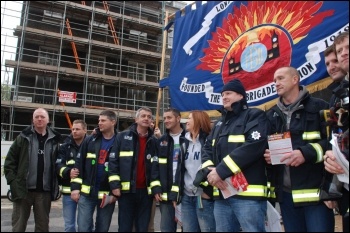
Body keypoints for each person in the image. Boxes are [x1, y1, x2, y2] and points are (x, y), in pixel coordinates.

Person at [264, 66, 334, 232]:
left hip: (317, 195)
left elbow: (333, 143)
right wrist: (268, 155)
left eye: (281, 78)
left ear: (295, 79)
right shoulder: (271, 115)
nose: (276, 83)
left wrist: (305, 153)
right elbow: (264, 147)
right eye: (274, 80)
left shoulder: (321, 107)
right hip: (286, 197)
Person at [196, 79, 269, 232]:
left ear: (241, 96)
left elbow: (253, 147)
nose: (224, 97)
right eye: (222, 94)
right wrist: (210, 171)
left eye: (228, 93)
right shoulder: (219, 124)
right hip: (222, 195)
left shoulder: (255, 115)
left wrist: (220, 171)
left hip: (248, 195)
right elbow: (207, 149)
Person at [4, 108, 61, 232]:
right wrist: (14, 183)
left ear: (48, 120)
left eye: (42, 117)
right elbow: (9, 162)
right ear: (33, 120)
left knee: (42, 227)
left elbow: (59, 164)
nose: (39, 119)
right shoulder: (23, 138)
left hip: (44, 192)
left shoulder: (55, 140)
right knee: (18, 226)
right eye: (36, 117)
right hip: (23, 191)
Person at [109, 107, 157, 232]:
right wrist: (115, 185)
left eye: (149, 116)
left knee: (143, 227)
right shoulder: (122, 137)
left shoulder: (154, 141)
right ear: (136, 119)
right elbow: (113, 162)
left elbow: (157, 167)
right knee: (125, 227)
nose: (146, 118)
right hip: (126, 192)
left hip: (146, 192)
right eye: (143, 116)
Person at [70, 110, 118, 232]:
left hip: (107, 195)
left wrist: (114, 194)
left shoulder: (120, 141)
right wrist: (75, 188)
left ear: (113, 122)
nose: (99, 123)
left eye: (103, 120)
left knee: (102, 228)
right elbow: (78, 164)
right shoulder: (90, 140)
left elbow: (123, 169)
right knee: (83, 228)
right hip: (87, 194)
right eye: (99, 120)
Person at [324, 31, 349, 232]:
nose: (343, 54)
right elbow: (335, 135)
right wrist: (331, 156)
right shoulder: (337, 97)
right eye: (340, 50)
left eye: (347, 48)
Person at [179, 110, 215, 231]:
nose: (187, 121)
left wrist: (208, 191)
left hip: (203, 196)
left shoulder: (208, 141)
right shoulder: (184, 141)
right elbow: (181, 169)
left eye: (190, 118)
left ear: (199, 121)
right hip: (186, 196)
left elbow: (213, 167)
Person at [151, 108, 185, 232]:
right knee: (166, 229)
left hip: (184, 193)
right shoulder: (161, 141)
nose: (166, 121)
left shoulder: (188, 138)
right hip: (165, 194)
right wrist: (156, 188)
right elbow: (155, 167)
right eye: (164, 118)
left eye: (169, 117)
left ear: (178, 118)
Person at [56, 119, 88, 232]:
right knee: (69, 225)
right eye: (73, 129)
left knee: (85, 225)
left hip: (86, 192)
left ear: (85, 130)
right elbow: (58, 165)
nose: (74, 131)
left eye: (77, 129)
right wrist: (67, 172)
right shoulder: (65, 147)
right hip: (68, 192)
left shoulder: (91, 145)